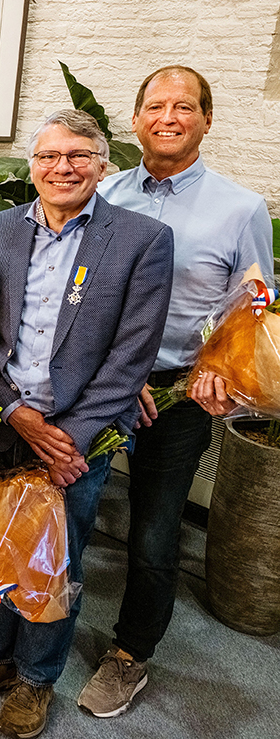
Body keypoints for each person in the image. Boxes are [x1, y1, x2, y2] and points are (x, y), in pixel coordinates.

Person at [0, 110, 173, 739]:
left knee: (54, 560)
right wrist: (16, 412)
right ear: (32, 165)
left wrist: (67, 435)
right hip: (0, 418)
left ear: (102, 164)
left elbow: (133, 355)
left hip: (79, 436)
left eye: (77, 156)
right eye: (48, 156)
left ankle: (36, 677)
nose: (61, 168)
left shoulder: (142, 240)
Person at [77, 66, 274, 718]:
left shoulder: (239, 208)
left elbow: (255, 306)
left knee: (155, 534)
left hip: (178, 394)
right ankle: (41, 627)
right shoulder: (103, 193)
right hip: (101, 385)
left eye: (184, 106)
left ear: (206, 120)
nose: (168, 117)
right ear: (135, 119)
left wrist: (222, 371)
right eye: (155, 106)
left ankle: (129, 653)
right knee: (68, 513)